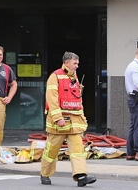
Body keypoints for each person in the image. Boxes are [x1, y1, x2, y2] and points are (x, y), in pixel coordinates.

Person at [40, 51, 96, 187]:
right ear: (66, 63)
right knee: (51, 151)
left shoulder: (75, 78)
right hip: (59, 123)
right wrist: (58, 117)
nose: (77, 66)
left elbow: (77, 101)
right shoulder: (55, 76)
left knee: (78, 152)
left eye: (77, 63)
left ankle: (81, 176)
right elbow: (52, 99)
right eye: (75, 63)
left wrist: (82, 119)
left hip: (74, 123)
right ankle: (45, 174)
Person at [124, 46, 138, 162]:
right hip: (137, 99)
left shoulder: (131, 66)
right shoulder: (136, 67)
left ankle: (130, 153)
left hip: (132, 98)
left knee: (133, 126)